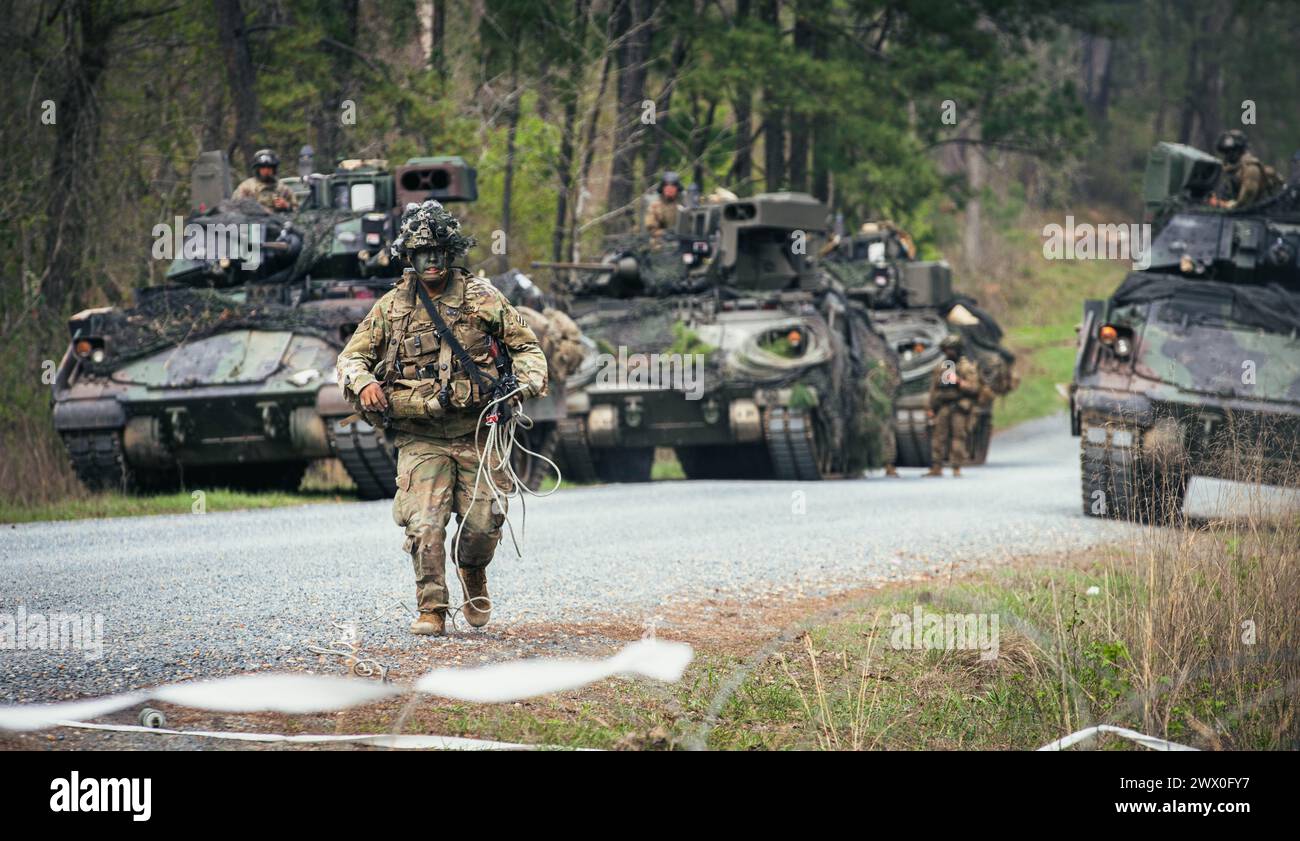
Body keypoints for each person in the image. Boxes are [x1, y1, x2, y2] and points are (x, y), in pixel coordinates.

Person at [336, 201, 548, 636]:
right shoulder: (392, 308)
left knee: (483, 523)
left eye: (438, 250)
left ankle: (472, 570)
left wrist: (522, 384)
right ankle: (432, 608)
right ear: (409, 257)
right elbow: (350, 358)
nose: (431, 260)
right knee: (425, 525)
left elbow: (528, 348)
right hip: (420, 436)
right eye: (421, 252)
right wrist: (363, 384)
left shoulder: (482, 299)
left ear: (450, 252)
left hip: (477, 432)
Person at [925, 334, 981, 478]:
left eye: (951, 350)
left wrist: (959, 382)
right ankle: (937, 466)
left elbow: (974, 388)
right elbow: (934, 389)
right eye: (946, 350)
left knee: (958, 437)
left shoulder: (966, 367)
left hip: (959, 407)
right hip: (943, 405)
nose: (948, 353)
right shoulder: (942, 367)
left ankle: (956, 466)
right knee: (938, 437)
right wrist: (930, 407)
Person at [1213, 130, 1279, 209]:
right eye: (1225, 152)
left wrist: (1228, 206)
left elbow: (1246, 202)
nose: (1227, 156)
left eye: (1229, 151)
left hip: (1257, 215)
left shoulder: (1250, 169)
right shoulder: (1233, 169)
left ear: (1237, 151)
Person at [232, 148, 298, 212]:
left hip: (278, 221)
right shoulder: (246, 187)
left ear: (274, 169)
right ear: (258, 169)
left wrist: (286, 206)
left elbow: (297, 212)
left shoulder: (283, 189)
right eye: (263, 167)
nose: (266, 171)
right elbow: (235, 207)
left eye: (269, 167)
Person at [644, 171, 683, 240]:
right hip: (661, 240)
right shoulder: (655, 206)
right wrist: (665, 232)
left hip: (682, 239)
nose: (669, 188)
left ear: (677, 188)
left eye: (673, 186)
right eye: (667, 185)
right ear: (663, 188)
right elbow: (651, 229)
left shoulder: (683, 203)